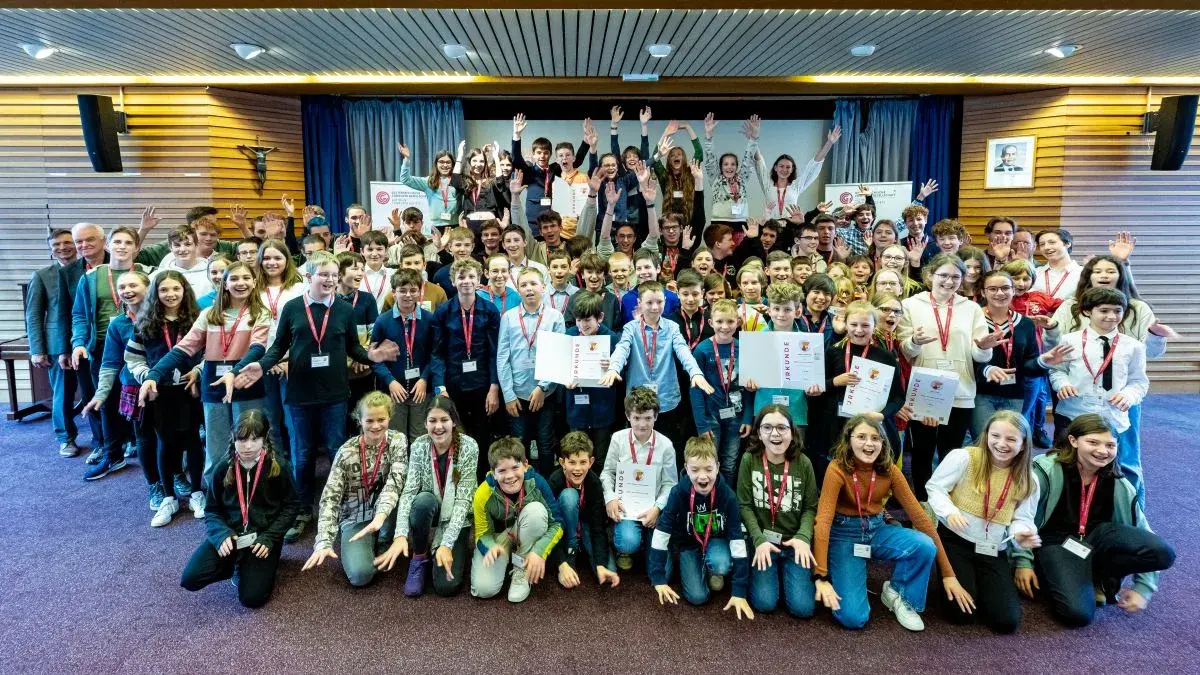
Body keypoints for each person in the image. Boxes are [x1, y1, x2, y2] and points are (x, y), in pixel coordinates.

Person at [231, 251, 399, 543]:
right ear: (309, 277)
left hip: (335, 392)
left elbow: (353, 349)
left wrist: (371, 355)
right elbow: (278, 347)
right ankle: (302, 510)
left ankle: (344, 506)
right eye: (324, 274)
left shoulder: (345, 309)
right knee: (303, 455)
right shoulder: (293, 308)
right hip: (300, 393)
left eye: (334, 275)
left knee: (337, 450)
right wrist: (262, 365)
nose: (330, 280)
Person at [1010, 414, 1174, 627]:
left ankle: (1098, 578)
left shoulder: (1120, 484)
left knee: (1163, 552)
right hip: (1055, 544)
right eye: (1093, 442)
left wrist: (1143, 588)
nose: (1102, 451)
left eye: (1110, 445)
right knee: (1077, 614)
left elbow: (1143, 530)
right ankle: (1062, 576)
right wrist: (1023, 562)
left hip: (1097, 541)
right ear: (1073, 441)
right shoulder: (1044, 470)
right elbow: (1022, 516)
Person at [813, 415, 972, 631]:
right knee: (853, 618)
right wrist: (820, 575)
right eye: (861, 437)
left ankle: (899, 594)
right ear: (848, 440)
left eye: (875, 438)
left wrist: (948, 574)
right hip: (844, 534)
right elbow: (823, 521)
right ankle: (838, 572)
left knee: (924, 544)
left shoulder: (890, 470)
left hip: (877, 529)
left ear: (883, 443)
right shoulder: (837, 468)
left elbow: (921, 519)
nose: (869, 444)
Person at [139, 261, 269, 490]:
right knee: (217, 445)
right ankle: (216, 497)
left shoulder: (260, 313)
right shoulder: (209, 314)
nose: (241, 283)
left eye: (246, 278)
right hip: (213, 384)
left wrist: (235, 371)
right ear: (225, 284)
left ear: (255, 282)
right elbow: (183, 348)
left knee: (251, 441)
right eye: (235, 279)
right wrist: (154, 374)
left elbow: (258, 348)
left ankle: (253, 495)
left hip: (247, 381)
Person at [925, 410, 1042, 633]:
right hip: (956, 540)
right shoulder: (965, 457)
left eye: (1011, 439)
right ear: (986, 434)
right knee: (960, 614)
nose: (1001, 444)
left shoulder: (1029, 478)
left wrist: (1021, 533)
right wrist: (949, 511)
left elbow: (1022, 518)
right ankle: (955, 575)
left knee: (1006, 622)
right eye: (995, 436)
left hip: (993, 548)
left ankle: (979, 582)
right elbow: (935, 487)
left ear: (1024, 444)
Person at [899, 253, 1004, 500]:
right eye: (943, 275)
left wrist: (985, 346)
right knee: (923, 451)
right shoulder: (911, 305)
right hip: (925, 388)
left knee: (952, 451)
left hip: (961, 389)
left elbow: (980, 356)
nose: (949, 281)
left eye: (956, 276)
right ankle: (924, 505)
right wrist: (914, 341)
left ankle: (948, 502)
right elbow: (904, 349)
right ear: (930, 276)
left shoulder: (971, 308)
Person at [180, 410, 300, 609]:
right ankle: (237, 562)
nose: (248, 446)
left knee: (251, 599)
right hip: (232, 536)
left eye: (255, 439)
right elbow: (212, 510)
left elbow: (292, 505)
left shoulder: (278, 466)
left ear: (265, 438)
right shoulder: (222, 468)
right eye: (242, 439)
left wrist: (270, 537)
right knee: (191, 578)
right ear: (233, 437)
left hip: (262, 539)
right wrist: (221, 535)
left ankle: (262, 560)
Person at [373, 396, 478, 597]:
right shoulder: (419, 446)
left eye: (444, 420)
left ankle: (446, 547)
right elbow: (409, 493)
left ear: (453, 421)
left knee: (446, 587)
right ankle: (419, 557)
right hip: (430, 508)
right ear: (425, 423)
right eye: (433, 421)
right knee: (421, 501)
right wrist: (400, 534)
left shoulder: (469, 446)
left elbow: (464, 502)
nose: (438, 426)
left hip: (456, 515)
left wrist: (446, 544)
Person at [125, 270, 206, 525]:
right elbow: (133, 359)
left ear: (185, 291)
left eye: (175, 289)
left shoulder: (197, 320)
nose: (170, 294)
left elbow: (210, 353)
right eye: (164, 290)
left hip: (189, 389)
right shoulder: (144, 323)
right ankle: (168, 497)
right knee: (165, 443)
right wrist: (148, 376)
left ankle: (196, 492)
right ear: (155, 294)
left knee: (193, 440)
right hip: (159, 393)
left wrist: (199, 370)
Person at [303, 392, 408, 587]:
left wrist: (380, 516)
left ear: (389, 418)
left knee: (405, 494)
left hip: (387, 513)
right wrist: (324, 541)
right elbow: (330, 498)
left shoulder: (398, 440)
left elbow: (396, 481)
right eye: (369, 420)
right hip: (355, 517)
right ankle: (370, 542)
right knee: (361, 576)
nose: (376, 426)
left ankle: (384, 537)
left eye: (381, 419)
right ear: (359, 420)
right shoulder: (346, 452)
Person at [1047, 288, 1149, 484]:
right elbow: (1057, 370)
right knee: (1066, 467)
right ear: (1087, 311)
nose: (1111, 316)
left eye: (1117, 311)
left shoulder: (1133, 346)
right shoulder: (1069, 340)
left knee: (1108, 472)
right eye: (1104, 310)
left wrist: (1129, 395)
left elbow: (1139, 381)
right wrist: (1063, 384)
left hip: (1112, 417)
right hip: (1074, 414)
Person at [599, 281, 713, 450]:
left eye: (659, 302)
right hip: (638, 400)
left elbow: (683, 351)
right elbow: (622, 348)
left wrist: (695, 373)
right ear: (639, 304)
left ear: (665, 302)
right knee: (639, 449)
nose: (654, 307)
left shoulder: (672, 328)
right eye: (649, 302)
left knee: (666, 447)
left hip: (667, 400)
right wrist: (614, 367)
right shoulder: (630, 328)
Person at [649, 437, 754, 619]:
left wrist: (739, 591)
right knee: (698, 597)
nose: (702, 476)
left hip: (716, 540)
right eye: (695, 469)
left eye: (709, 469)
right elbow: (662, 530)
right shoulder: (678, 492)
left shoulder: (728, 496)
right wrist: (658, 578)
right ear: (686, 468)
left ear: (718, 467)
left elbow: (737, 539)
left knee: (720, 564)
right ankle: (693, 568)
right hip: (688, 544)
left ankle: (714, 570)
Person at [71, 226, 147, 465]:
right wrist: (79, 343)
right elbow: (80, 315)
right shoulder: (91, 277)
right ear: (108, 245)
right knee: (106, 397)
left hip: (139, 343)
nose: (122, 247)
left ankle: (138, 443)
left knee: (140, 395)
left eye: (128, 242)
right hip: (103, 344)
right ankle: (110, 451)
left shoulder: (148, 274)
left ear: (136, 247)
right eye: (117, 242)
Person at [807, 300, 905, 482]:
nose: (859, 330)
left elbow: (898, 397)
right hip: (834, 423)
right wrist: (835, 382)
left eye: (865, 325)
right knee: (834, 466)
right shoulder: (832, 352)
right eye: (853, 324)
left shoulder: (885, 356)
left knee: (866, 469)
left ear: (875, 326)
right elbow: (815, 389)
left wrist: (882, 415)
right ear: (845, 325)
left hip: (871, 422)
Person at [737, 404, 819, 618]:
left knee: (803, 609)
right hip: (762, 542)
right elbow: (744, 505)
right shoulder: (749, 460)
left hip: (793, 543)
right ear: (759, 433)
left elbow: (810, 507)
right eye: (767, 428)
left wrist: (803, 537)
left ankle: (786, 575)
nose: (775, 433)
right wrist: (758, 540)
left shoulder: (804, 463)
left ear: (792, 433)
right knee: (765, 603)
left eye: (782, 428)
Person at [973, 270, 1073, 439]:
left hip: (1015, 393)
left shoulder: (1025, 323)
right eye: (993, 289)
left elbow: (1028, 365)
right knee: (983, 442)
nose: (1000, 293)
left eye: (1005, 288)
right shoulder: (973, 319)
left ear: (1013, 291)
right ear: (983, 292)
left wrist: (1043, 361)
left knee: (1011, 443)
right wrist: (986, 369)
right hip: (981, 393)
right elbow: (965, 359)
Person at [470, 437, 566, 603]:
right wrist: (491, 548)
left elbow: (557, 523)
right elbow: (481, 534)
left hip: (526, 531)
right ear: (493, 472)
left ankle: (521, 566)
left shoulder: (538, 483)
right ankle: (507, 556)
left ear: (526, 465)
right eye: (502, 471)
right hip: (501, 539)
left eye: (515, 467)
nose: (510, 476)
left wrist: (539, 551)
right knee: (484, 589)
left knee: (536, 511)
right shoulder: (482, 493)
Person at [431, 258, 503, 474]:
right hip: (453, 385)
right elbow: (437, 353)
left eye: (471, 276)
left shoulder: (489, 311)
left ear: (479, 279)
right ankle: (458, 478)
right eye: (461, 277)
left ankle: (481, 478)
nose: (466, 281)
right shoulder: (443, 312)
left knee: (482, 434)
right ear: (453, 281)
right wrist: (440, 386)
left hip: (482, 385)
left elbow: (494, 352)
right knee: (457, 435)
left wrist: (494, 387)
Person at [80, 269, 150, 481]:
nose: (127, 291)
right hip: (132, 383)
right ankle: (113, 455)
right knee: (108, 396)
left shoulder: (163, 318)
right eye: (122, 287)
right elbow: (110, 362)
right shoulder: (118, 324)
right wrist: (100, 394)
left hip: (159, 382)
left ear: (148, 288)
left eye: (133, 285)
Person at [601, 387, 679, 570]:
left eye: (648, 418)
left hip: (654, 509)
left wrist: (658, 508)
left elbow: (670, 484)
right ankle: (626, 549)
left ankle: (647, 542)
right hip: (626, 508)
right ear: (628, 416)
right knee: (627, 542)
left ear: (656, 417)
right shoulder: (618, 439)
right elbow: (607, 472)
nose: (642, 424)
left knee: (662, 572)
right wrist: (610, 498)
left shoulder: (666, 446)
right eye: (636, 418)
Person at [498, 267, 565, 478]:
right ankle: (522, 486)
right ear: (517, 288)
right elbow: (503, 357)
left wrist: (542, 388)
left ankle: (545, 487)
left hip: (545, 393)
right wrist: (508, 395)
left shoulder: (555, 317)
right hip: (517, 394)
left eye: (533, 284)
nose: (529, 289)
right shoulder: (508, 317)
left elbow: (558, 355)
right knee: (519, 444)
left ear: (543, 287)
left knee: (545, 442)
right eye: (524, 285)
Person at [26, 229, 81, 457]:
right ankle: (65, 437)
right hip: (58, 344)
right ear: (51, 250)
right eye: (56, 245)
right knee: (63, 393)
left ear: (76, 245)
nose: (62, 248)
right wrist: (37, 349)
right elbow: (34, 314)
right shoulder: (42, 275)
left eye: (67, 243)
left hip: (88, 340)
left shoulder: (88, 270)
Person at [548, 431, 621, 589]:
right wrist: (561, 564)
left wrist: (600, 564)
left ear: (591, 461)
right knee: (569, 496)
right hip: (562, 529)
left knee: (608, 572)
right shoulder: (554, 481)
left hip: (585, 525)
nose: (578, 468)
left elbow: (598, 528)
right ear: (562, 462)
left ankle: (587, 554)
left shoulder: (594, 483)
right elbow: (549, 527)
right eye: (572, 462)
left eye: (583, 462)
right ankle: (570, 552)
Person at [371, 269, 436, 442]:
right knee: (395, 438)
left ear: (420, 292)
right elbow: (375, 358)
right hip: (393, 391)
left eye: (413, 290)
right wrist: (390, 382)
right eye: (402, 290)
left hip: (421, 391)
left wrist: (424, 379)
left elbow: (435, 354)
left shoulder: (429, 320)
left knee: (420, 437)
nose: (408, 295)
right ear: (393, 292)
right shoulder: (383, 321)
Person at [689, 299, 747, 484]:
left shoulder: (744, 347)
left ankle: (725, 499)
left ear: (738, 322)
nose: (725, 326)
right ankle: (710, 498)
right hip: (710, 416)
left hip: (736, 416)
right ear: (711, 323)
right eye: (720, 321)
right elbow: (696, 390)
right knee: (710, 463)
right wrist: (702, 425)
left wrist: (747, 418)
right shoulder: (702, 350)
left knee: (730, 464)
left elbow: (750, 388)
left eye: (730, 321)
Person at [256, 239, 305, 453]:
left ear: (287, 260)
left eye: (277, 257)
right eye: (266, 258)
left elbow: (305, 329)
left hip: (291, 363)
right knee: (269, 420)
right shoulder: (252, 288)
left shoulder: (300, 287)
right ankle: (276, 470)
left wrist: (287, 359)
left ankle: (297, 474)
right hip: (261, 362)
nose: (272, 262)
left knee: (293, 421)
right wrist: (267, 360)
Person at [562, 291, 618, 468]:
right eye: (579, 320)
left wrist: (612, 368)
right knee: (577, 452)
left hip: (602, 407)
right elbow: (561, 368)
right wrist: (565, 380)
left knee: (600, 455)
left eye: (587, 320)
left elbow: (620, 375)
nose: (582, 325)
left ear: (600, 317)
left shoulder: (611, 339)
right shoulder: (569, 336)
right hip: (576, 408)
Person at [702, 112, 765, 223]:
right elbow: (710, 159)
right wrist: (708, 135)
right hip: (719, 223)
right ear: (720, 167)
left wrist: (754, 138)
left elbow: (748, 158)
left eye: (733, 164)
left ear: (737, 167)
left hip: (740, 223)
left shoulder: (742, 179)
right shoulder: (716, 179)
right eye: (725, 164)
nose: (729, 167)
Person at [1032, 229, 1081, 301]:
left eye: (1052, 242)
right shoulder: (1035, 273)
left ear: (1067, 243)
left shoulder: (1082, 273)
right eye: (1042, 244)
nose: (1046, 247)